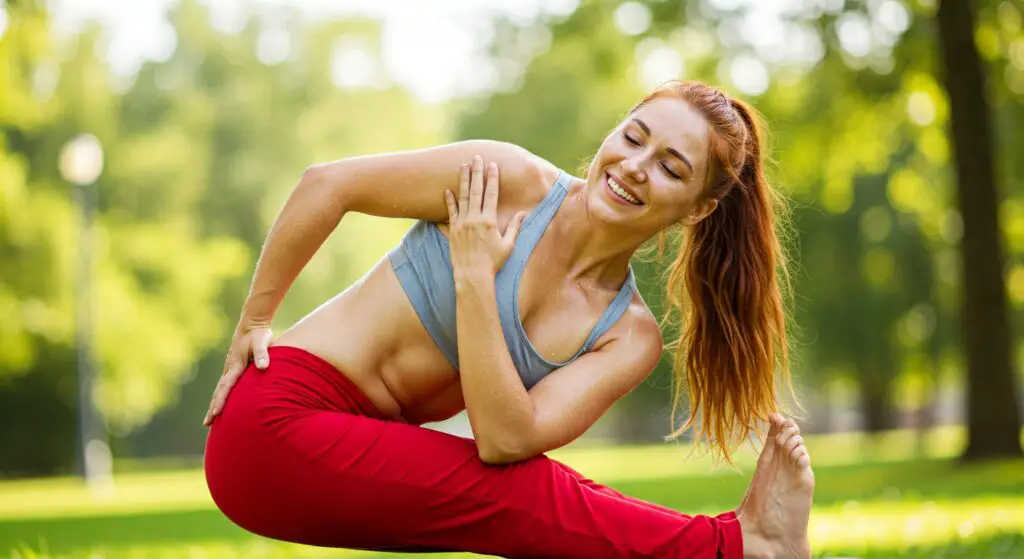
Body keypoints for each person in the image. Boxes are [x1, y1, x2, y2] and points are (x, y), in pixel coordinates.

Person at [202, 80, 815, 559]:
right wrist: (256, 318)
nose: (634, 166)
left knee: (545, 495)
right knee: (524, 499)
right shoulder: (510, 181)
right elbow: (327, 185)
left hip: (357, 443)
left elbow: (503, 441)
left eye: (670, 167)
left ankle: (742, 544)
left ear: (699, 209)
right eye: (633, 137)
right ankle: (741, 546)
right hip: (274, 422)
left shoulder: (627, 336)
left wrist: (475, 281)